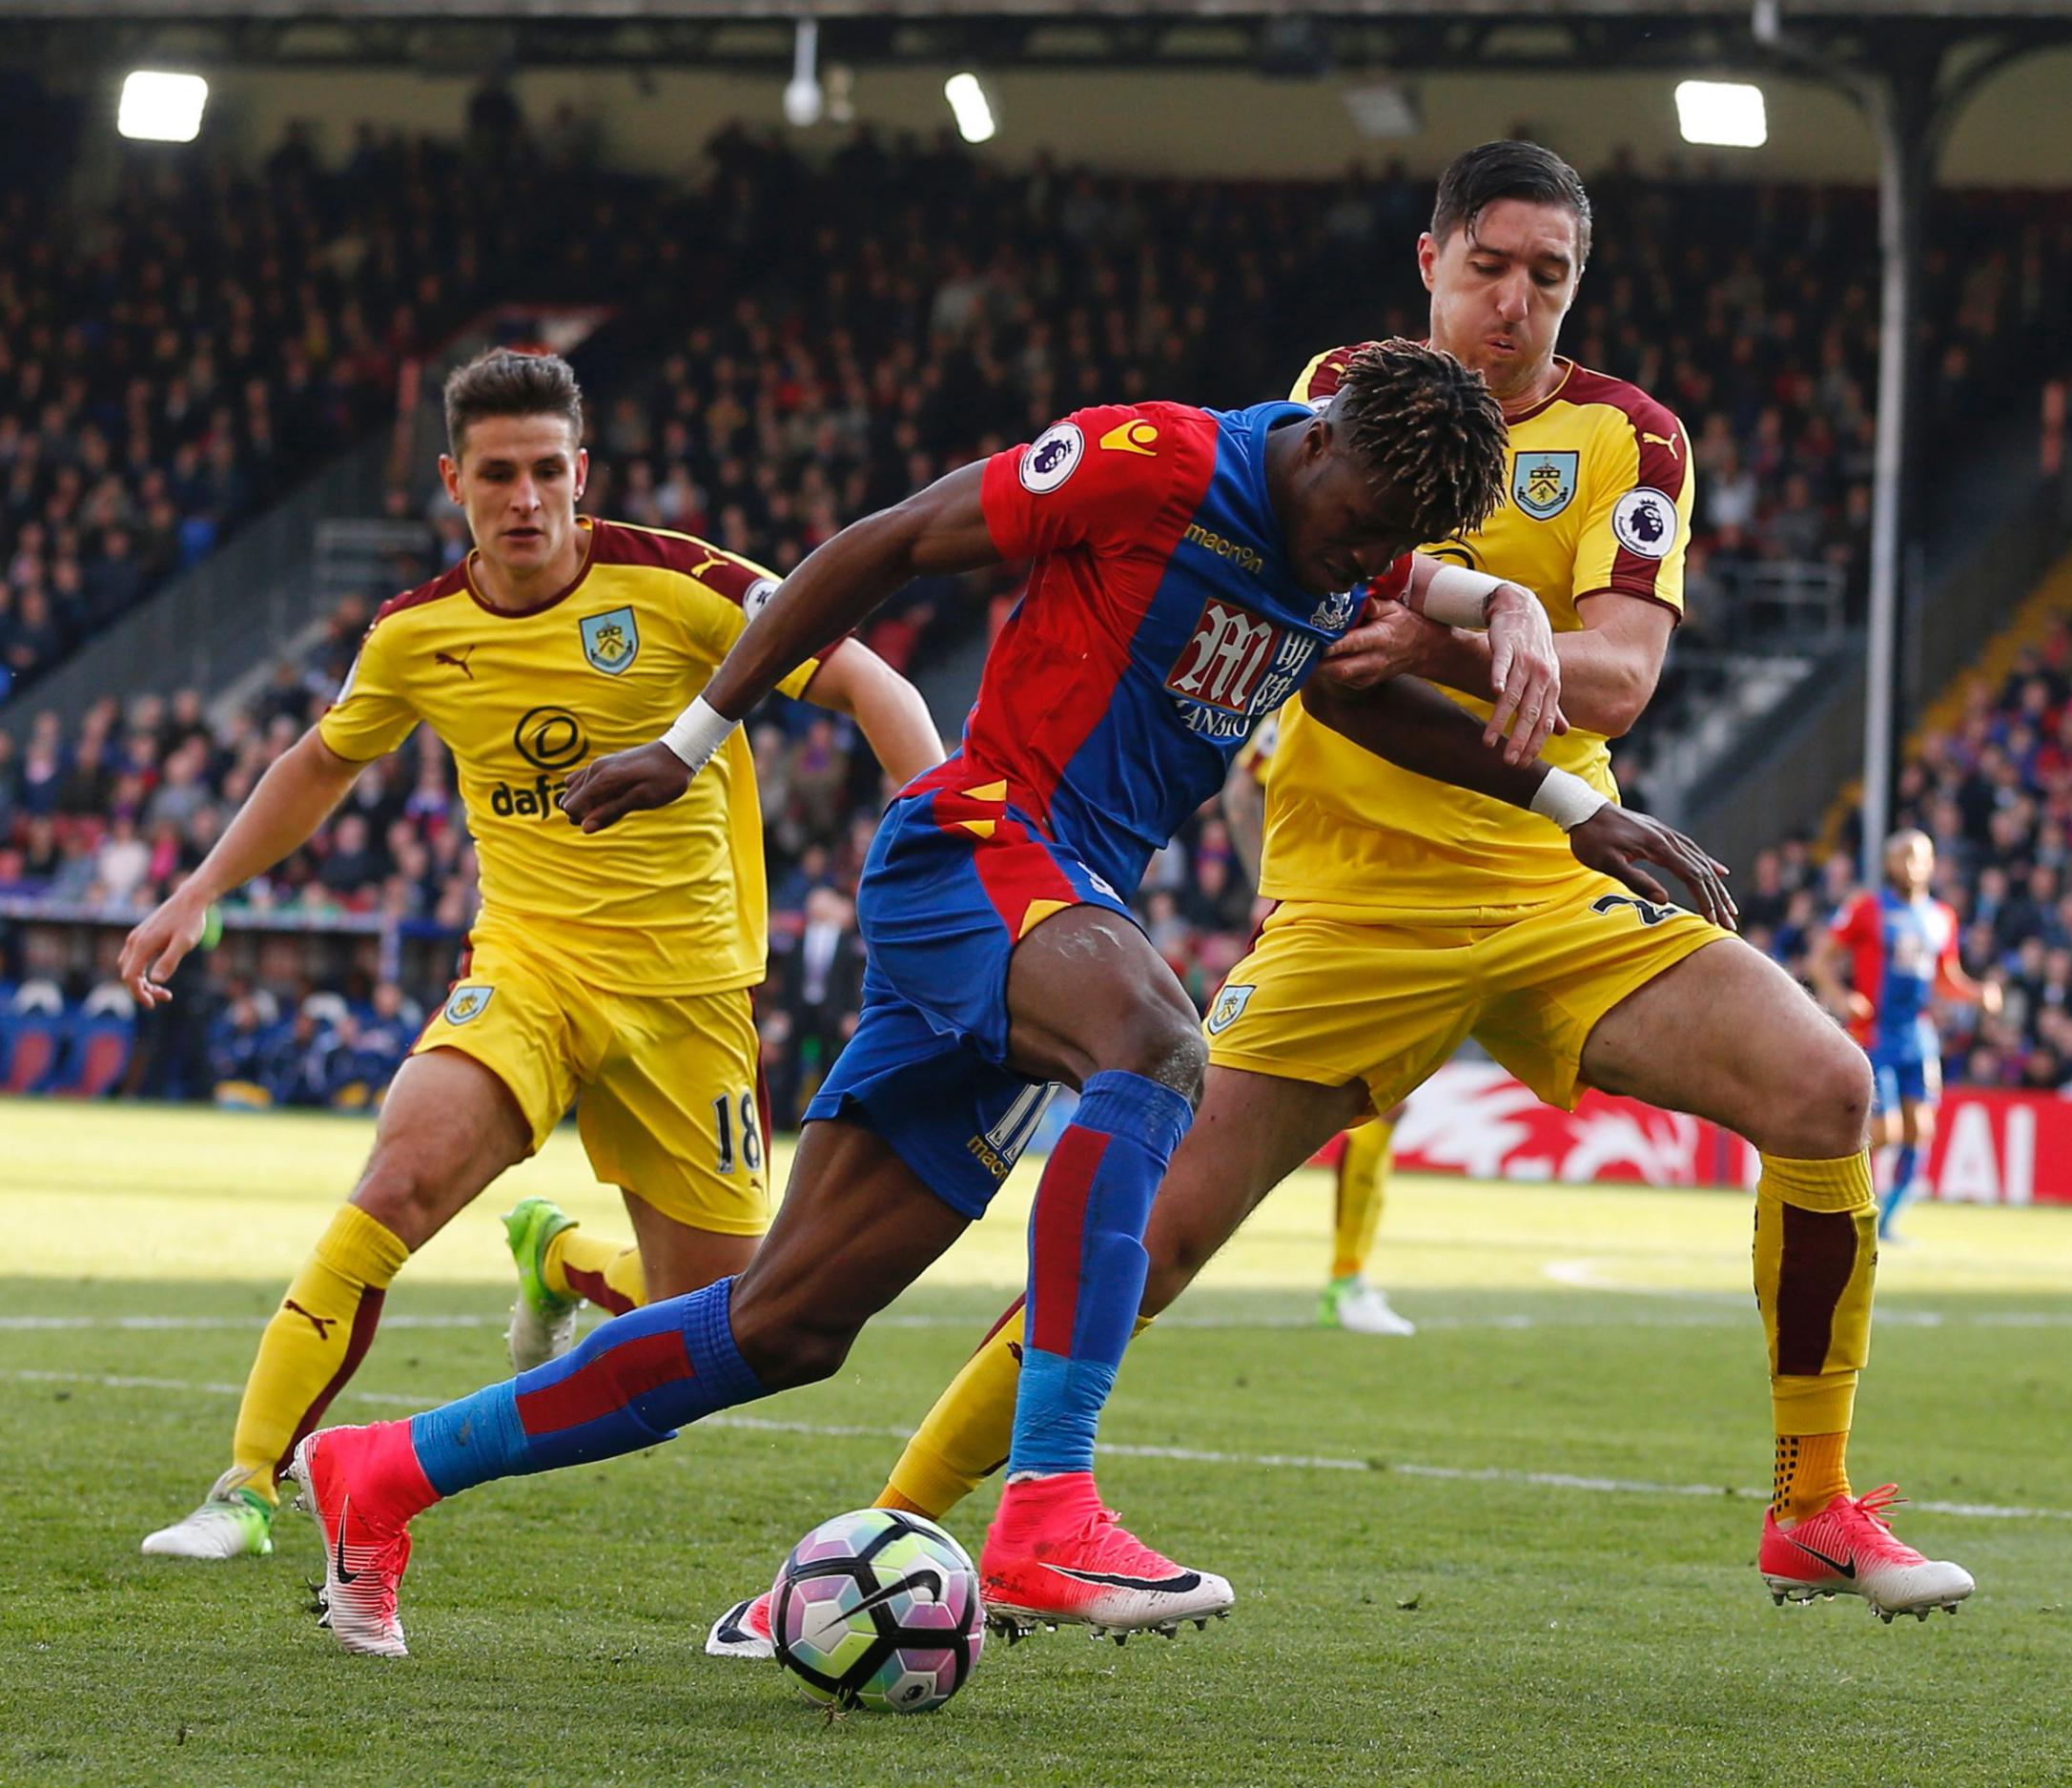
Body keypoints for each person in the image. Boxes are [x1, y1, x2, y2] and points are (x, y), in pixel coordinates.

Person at [286, 342, 1726, 1658]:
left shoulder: (1345, 536)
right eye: (1359, 526)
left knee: (781, 1324)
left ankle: (382, 1471)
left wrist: (1564, 804)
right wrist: (694, 732)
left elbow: (1349, 692)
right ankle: (1046, 1505)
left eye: (1391, 550)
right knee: (1161, 1046)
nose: (1365, 560)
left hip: (1053, 912)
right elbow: (882, 545)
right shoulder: (1158, 462)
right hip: (976, 847)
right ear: (1324, 437)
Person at [790, 141, 1974, 1634]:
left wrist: (1455, 641)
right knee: (1140, 1239)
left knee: (1826, 1084)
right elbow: (1337, 677)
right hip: (1348, 907)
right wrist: (1462, 635)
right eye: (1491, 266)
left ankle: (1812, 1504)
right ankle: (881, 1536)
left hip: (1555, 876)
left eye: (1550, 276)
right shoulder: (1348, 392)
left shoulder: (1636, 441)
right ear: (1432, 261)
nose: (1517, 301)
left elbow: (1614, 679)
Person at [128, 348, 943, 1561]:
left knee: (722, 1328)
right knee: (394, 1187)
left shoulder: (681, 588)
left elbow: (875, 686)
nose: (524, 500)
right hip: (529, 968)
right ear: (454, 480)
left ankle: (557, 1256)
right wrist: (199, 887)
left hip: (690, 1000)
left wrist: (950, 845)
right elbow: (318, 765)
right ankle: (246, 1487)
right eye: (498, 474)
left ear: (582, 473)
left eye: (547, 472)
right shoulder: (416, 635)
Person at [1220, 717, 1412, 1335]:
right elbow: (1239, 792)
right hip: (1331, 912)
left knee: (1380, 1104)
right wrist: (1265, 879)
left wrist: (1261, 878)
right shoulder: (1337, 698)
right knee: (1229, 1090)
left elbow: (1240, 790)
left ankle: (1346, 1278)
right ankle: (1345, 1279)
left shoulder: (1307, 708)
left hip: (1361, 908)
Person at [1812, 830, 2001, 1243]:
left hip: (1918, 1036)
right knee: (1885, 1132)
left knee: (1921, 1130)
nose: (1912, 864)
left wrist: (1977, 994)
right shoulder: (1866, 909)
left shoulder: (1941, 917)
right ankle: (1838, 1201)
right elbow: (1821, 959)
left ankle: (1885, 1223)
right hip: (1875, 1033)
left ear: (1932, 864)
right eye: (1903, 856)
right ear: (1889, 863)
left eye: (1920, 857)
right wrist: (1841, 998)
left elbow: (1945, 979)